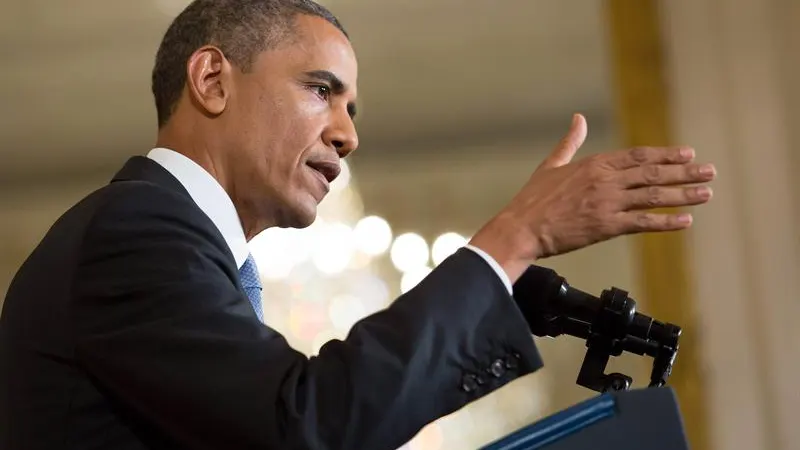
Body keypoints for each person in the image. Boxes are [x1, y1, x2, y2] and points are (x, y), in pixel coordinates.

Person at [0, 1, 716, 449]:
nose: (347, 135)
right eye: (321, 91)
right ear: (213, 81)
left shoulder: (163, 238)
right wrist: (513, 238)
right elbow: (304, 427)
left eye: (354, 112)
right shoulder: (134, 231)